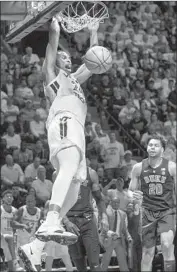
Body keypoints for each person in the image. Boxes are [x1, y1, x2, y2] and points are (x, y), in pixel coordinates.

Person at [18, 17, 101, 271]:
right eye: (64, 57)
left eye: (68, 58)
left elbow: (94, 62)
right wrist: (54, 32)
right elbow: (51, 51)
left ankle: (35, 248)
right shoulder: (52, 77)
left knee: (75, 189)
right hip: (64, 122)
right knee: (67, 168)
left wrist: (94, 32)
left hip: (77, 128)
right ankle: (53, 216)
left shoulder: (74, 79)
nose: (68, 59)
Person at [129, 135, 176, 272]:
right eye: (150, 145)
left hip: (166, 212)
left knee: (167, 245)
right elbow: (130, 191)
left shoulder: (172, 167)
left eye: (156, 145)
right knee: (147, 253)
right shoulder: (138, 168)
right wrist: (133, 196)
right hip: (147, 213)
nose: (152, 147)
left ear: (162, 149)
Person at [63, 166, 108, 271]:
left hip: (87, 220)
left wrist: (104, 216)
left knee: (95, 264)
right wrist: (66, 222)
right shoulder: (60, 173)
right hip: (70, 223)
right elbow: (56, 203)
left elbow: (99, 199)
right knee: (80, 266)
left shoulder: (91, 173)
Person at [101, 197, 132, 272]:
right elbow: (102, 227)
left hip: (119, 241)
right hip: (109, 240)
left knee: (123, 261)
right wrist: (110, 233)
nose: (116, 204)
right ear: (111, 202)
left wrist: (128, 236)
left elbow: (124, 228)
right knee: (105, 261)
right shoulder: (106, 213)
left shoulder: (123, 214)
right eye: (114, 202)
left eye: (118, 202)